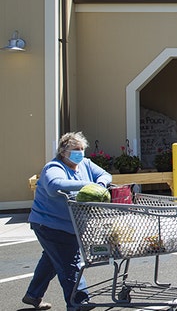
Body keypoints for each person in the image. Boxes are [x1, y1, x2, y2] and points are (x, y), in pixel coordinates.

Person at [24, 132, 112, 311]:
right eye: (75, 149)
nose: (79, 153)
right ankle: (79, 302)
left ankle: (33, 295)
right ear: (63, 152)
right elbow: (54, 186)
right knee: (69, 262)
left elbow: (105, 175)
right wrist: (87, 185)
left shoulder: (85, 164)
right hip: (49, 224)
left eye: (81, 149)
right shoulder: (53, 167)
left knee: (52, 259)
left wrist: (100, 185)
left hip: (71, 224)